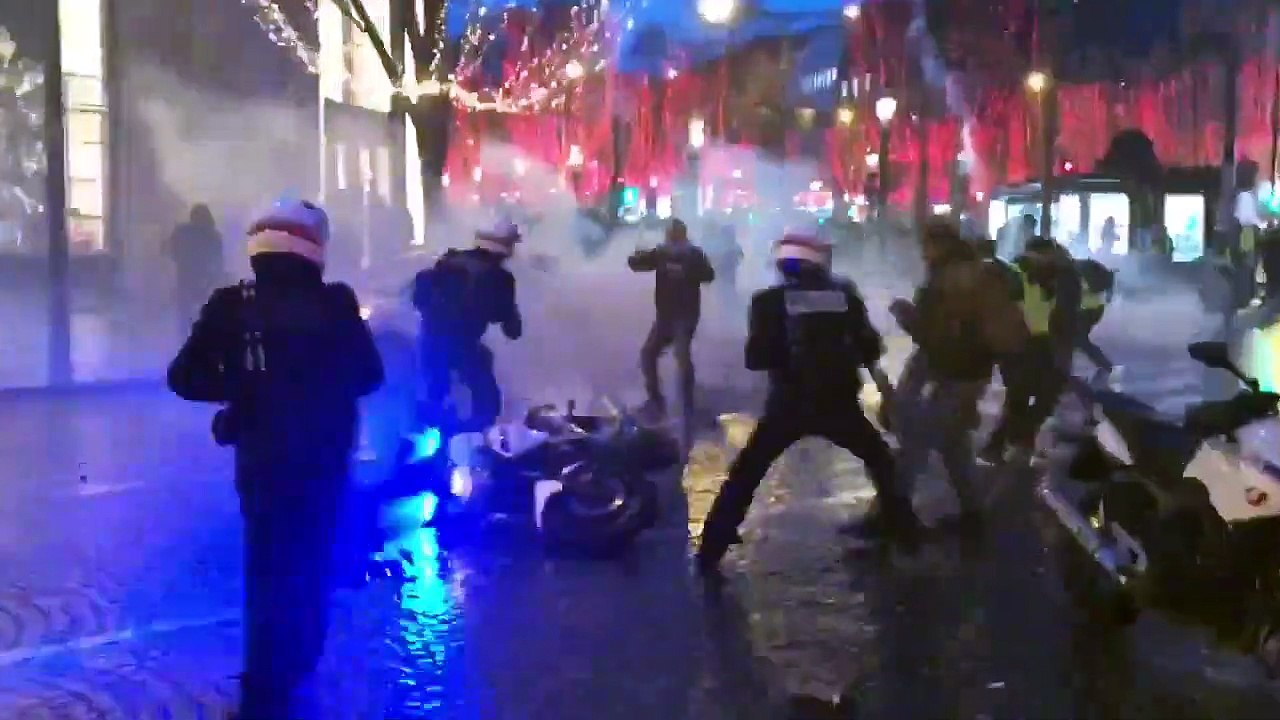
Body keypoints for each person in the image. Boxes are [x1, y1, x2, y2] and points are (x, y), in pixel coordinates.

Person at [166, 198, 384, 719]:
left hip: (262, 463)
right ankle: (300, 656)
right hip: (324, 460)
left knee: (265, 569)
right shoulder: (336, 304)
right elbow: (369, 376)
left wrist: (242, 387)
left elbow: (184, 377)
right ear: (314, 248)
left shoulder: (231, 304)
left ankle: (263, 688)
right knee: (312, 558)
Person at [696, 230, 920, 574]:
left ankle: (713, 545)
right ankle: (906, 534)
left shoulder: (768, 301)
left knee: (747, 473)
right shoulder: (844, 295)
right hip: (839, 401)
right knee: (880, 461)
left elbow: (756, 357)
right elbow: (870, 348)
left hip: (789, 403)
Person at [852, 219, 1027, 537]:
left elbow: (945, 336)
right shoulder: (966, 273)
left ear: (938, 244)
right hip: (959, 371)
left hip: (955, 373)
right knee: (952, 443)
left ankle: (890, 514)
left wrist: (908, 318)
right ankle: (973, 514)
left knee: (916, 441)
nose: (923, 253)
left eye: (926, 245)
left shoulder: (956, 279)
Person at [412, 218, 522, 432]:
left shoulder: (448, 261)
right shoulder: (499, 277)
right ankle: (475, 447)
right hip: (464, 350)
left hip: (428, 345)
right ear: (506, 248)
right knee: (488, 404)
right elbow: (512, 329)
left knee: (433, 401)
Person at [982, 236, 1081, 463]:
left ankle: (1013, 442)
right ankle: (1009, 443)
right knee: (1029, 396)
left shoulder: (1061, 274)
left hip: (1042, 343)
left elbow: (1066, 311)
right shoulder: (1026, 273)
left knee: (1033, 397)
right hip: (1030, 343)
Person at [628, 218, 715, 421]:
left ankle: (687, 404)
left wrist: (689, 270)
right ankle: (656, 401)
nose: (672, 237)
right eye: (670, 233)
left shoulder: (693, 255)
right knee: (649, 354)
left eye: (675, 233)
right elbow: (637, 264)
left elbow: (709, 275)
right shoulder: (661, 253)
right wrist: (637, 255)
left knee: (682, 358)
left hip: (685, 316)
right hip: (665, 316)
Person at [167, 203, 225, 335]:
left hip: (187, 281)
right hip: (205, 283)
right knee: (204, 316)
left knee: (184, 318)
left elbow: (172, 251)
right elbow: (218, 262)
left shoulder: (182, 232)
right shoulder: (213, 235)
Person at [1074, 256, 1116, 376]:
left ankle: (1106, 366)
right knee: (1076, 340)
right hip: (1096, 309)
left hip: (1084, 310)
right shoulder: (1085, 266)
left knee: (1079, 340)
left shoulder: (1071, 271)